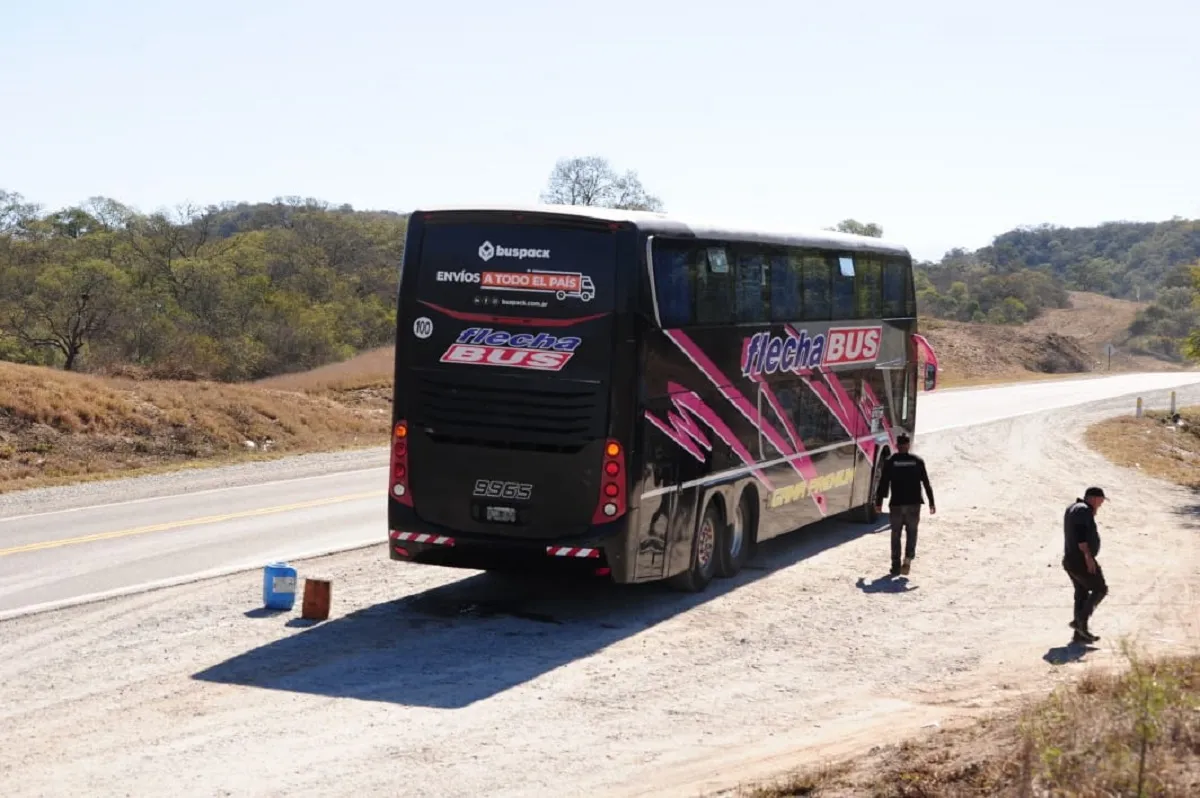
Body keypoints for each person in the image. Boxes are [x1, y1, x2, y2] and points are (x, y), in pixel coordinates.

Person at [874, 433, 936, 576]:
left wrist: (878, 503)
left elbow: (883, 484)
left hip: (896, 504)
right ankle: (908, 559)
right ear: (908, 445)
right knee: (912, 532)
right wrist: (931, 502)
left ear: (897, 446)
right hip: (914, 504)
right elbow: (926, 483)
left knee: (895, 534)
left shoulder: (890, 461)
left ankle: (895, 565)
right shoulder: (917, 461)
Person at [1063, 487, 1108, 644]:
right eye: (1101, 501)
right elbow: (1080, 534)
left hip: (1071, 559)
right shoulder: (1083, 509)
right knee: (1100, 589)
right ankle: (1080, 622)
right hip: (1081, 559)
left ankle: (1079, 635)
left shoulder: (1074, 508)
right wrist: (1088, 557)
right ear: (1094, 498)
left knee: (1081, 593)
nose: (1101, 504)